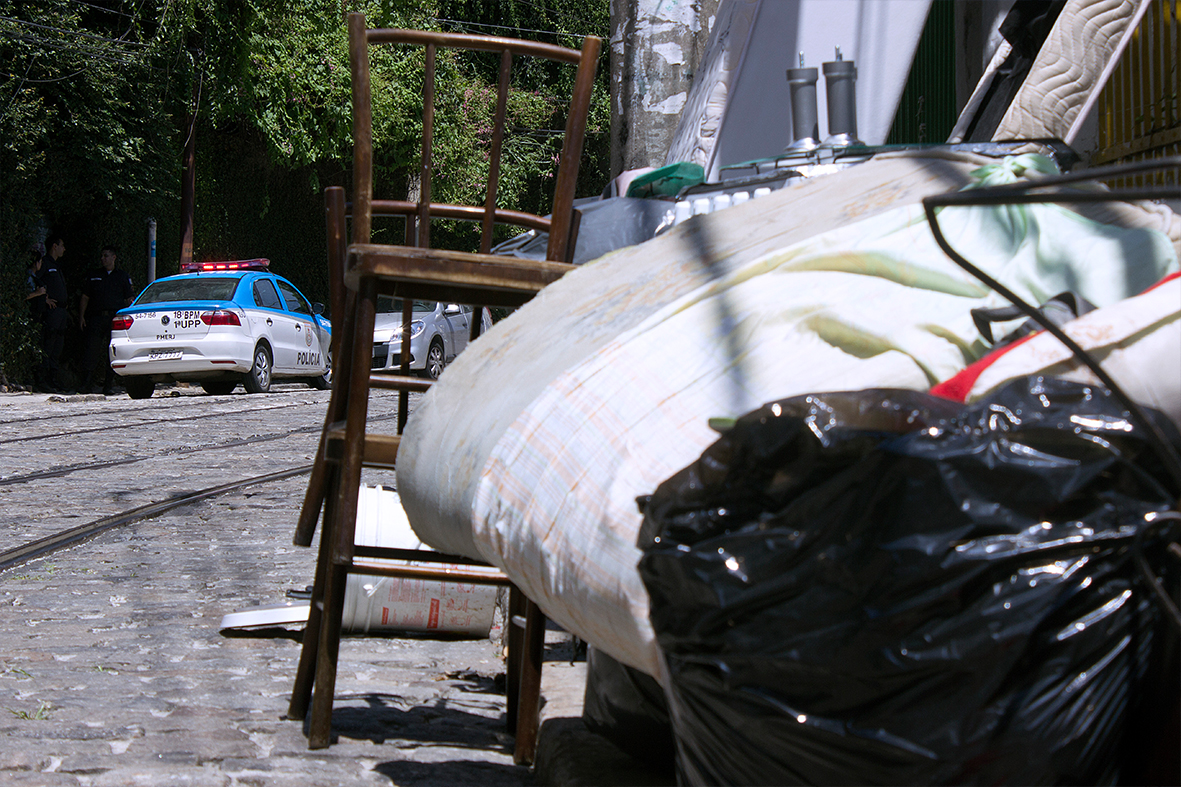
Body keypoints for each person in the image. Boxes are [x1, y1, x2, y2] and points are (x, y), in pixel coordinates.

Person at [79, 244, 135, 395]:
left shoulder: (122, 276)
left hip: (114, 318)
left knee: (112, 352)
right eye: (102, 256)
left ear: (113, 257)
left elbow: (129, 297)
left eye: (106, 256)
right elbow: (85, 297)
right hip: (96, 317)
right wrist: (82, 316)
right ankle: (86, 384)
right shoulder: (94, 275)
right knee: (91, 351)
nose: (103, 259)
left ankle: (108, 385)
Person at [37, 236, 69, 392]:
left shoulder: (57, 265)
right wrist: (45, 298)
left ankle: (53, 379)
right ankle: (43, 379)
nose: (64, 249)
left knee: (58, 346)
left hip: (61, 311)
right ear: (54, 246)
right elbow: (36, 279)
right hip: (52, 311)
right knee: (49, 344)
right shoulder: (45, 263)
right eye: (62, 245)